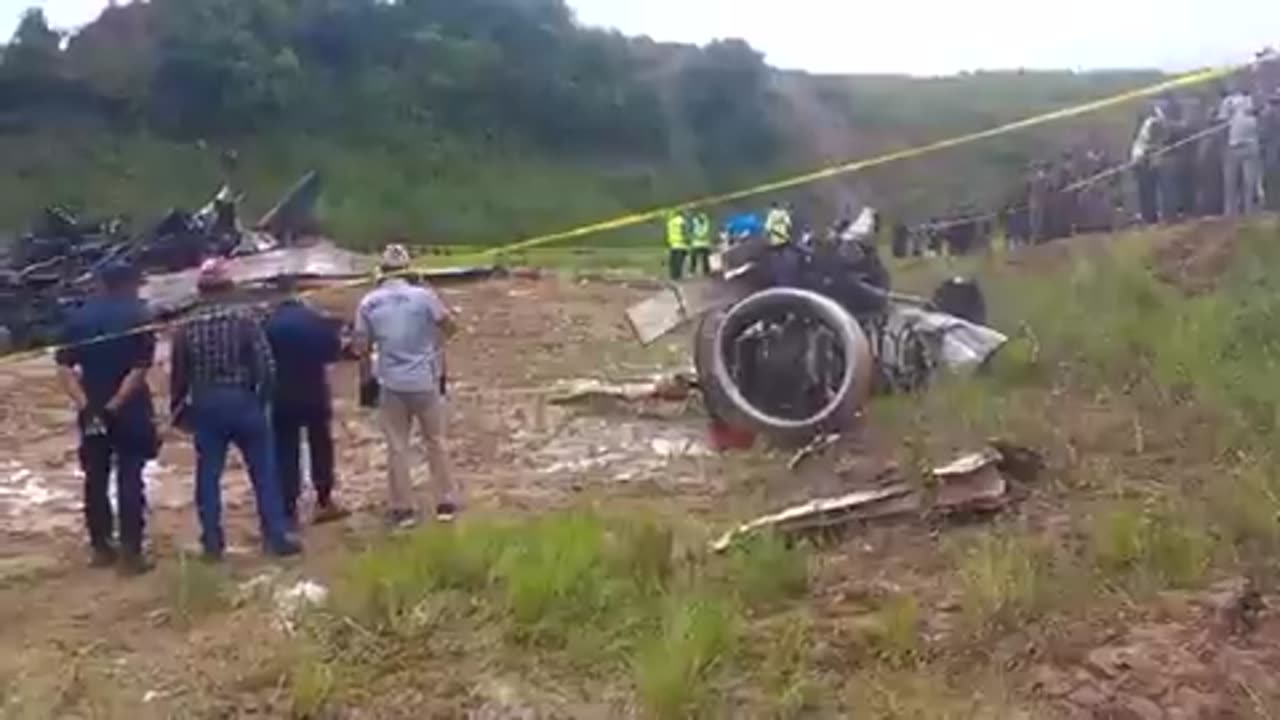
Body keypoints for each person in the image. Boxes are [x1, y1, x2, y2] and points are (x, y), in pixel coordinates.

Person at [170, 259, 299, 560]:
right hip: (243, 401)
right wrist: (262, 399)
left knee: (208, 477)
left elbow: (178, 373)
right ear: (229, 288)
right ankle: (276, 536)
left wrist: (179, 410)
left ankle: (212, 543)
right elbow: (266, 366)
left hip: (206, 404)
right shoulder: (245, 319)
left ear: (200, 291)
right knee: (264, 473)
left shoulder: (185, 327)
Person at [55, 260, 159, 575]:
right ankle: (131, 552)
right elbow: (139, 369)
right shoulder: (139, 317)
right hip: (130, 409)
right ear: (128, 284)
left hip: (91, 408)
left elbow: (63, 367)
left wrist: (87, 405)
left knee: (95, 477)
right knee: (130, 475)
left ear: (101, 283)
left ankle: (101, 547)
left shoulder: (78, 318)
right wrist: (116, 403)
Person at [353, 244, 460, 528]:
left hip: (391, 382)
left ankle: (403, 508)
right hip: (425, 378)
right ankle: (446, 501)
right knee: (436, 441)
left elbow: (361, 347)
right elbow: (451, 326)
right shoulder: (424, 297)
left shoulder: (368, 302)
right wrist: (434, 345)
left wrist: (366, 381)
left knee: (397, 446)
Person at [264, 288, 349, 528]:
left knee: (285, 450)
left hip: (281, 395)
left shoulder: (269, 324)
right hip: (314, 392)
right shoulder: (315, 320)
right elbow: (333, 353)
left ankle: (289, 508)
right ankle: (324, 499)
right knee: (320, 444)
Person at [1223, 104, 1263, 216]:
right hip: (1238, 148)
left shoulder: (1252, 120)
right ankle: (1233, 212)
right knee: (1236, 183)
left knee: (1245, 183)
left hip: (1245, 148)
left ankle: (1245, 212)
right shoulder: (1239, 115)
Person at [1131, 104, 1167, 224]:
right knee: (1147, 188)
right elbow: (1151, 141)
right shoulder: (1152, 123)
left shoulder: (1149, 123)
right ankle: (1149, 216)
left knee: (1147, 189)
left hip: (1143, 158)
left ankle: (1149, 215)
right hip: (1143, 159)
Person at [664, 211, 687, 281]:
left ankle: (673, 275)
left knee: (673, 261)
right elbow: (684, 231)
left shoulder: (670, 222)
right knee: (679, 261)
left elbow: (668, 233)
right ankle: (678, 275)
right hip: (681, 244)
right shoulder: (681, 221)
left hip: (672, 244)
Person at [688, 211, 713, 276]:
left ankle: (692, 271)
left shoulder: (694, 222)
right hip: (704, 243)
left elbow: (690, 231)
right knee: (705, 259)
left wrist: (692, 237)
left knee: (695, 258)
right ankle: (706, 271)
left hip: (697, 243)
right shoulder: (706, 222)